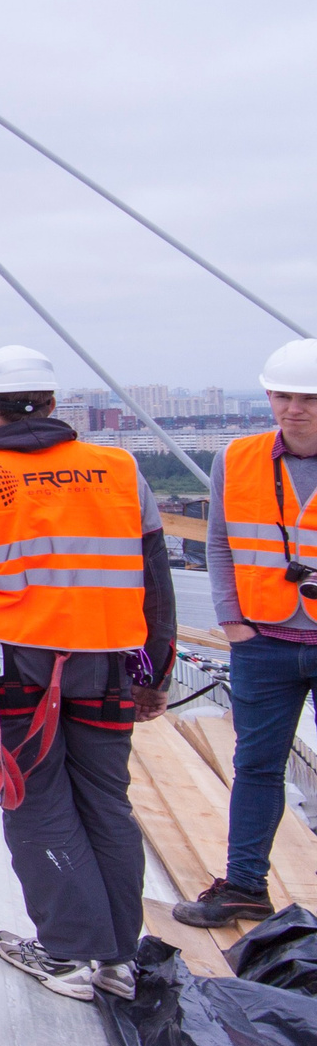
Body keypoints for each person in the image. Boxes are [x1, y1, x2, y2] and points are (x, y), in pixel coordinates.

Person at [0, 345, 173, 1002]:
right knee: (107, 804)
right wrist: (157, 674)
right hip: (109, 669)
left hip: (17, 674)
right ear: (55, 404)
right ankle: (117, 959)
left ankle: (68, 954)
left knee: (35, 803)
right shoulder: (121, 470)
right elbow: (156, 582)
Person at [171, 338, 317, 930]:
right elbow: (220, 543)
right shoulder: (239, 458)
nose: (294, 409)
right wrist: (232, 621)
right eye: (283, 397)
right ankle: (245, 888)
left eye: (309, 399)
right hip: (264, 640)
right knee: (256, 766)